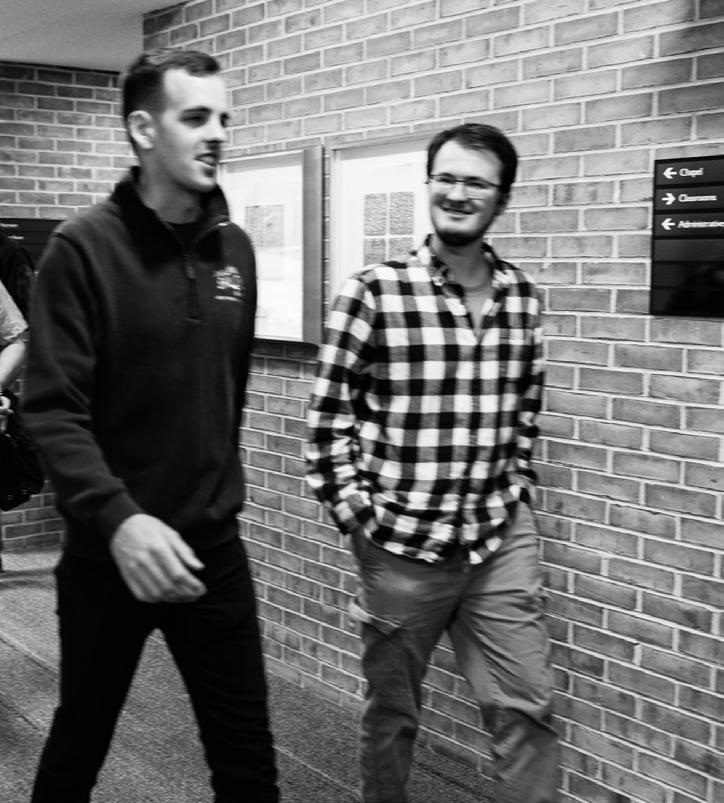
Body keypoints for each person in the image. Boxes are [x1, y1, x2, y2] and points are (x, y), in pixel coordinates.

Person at [23, 48, 278, 802]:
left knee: (248, 761)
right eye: (195, 117)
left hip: (211, 549)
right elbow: (53, 409)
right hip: (110, 553)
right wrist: (121, 519)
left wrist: (212, 492)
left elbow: (227, 391)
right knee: (80, 741)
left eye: (223, 118)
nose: (217, 133)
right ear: (142, 129)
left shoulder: (234, 251)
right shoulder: (82, 250)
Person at [306, 123, 559, 803]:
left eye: (476, 181)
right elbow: (326, 424)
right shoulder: (374, 292)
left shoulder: (523, 298)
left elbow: (525, 413)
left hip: (497, 538)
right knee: (393, 713)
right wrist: (362, 521)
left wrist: (517, 491)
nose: (457, 193)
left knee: (528, 707)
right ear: (428, 185)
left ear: (501, 198)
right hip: (400, 546)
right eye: (445, 177)